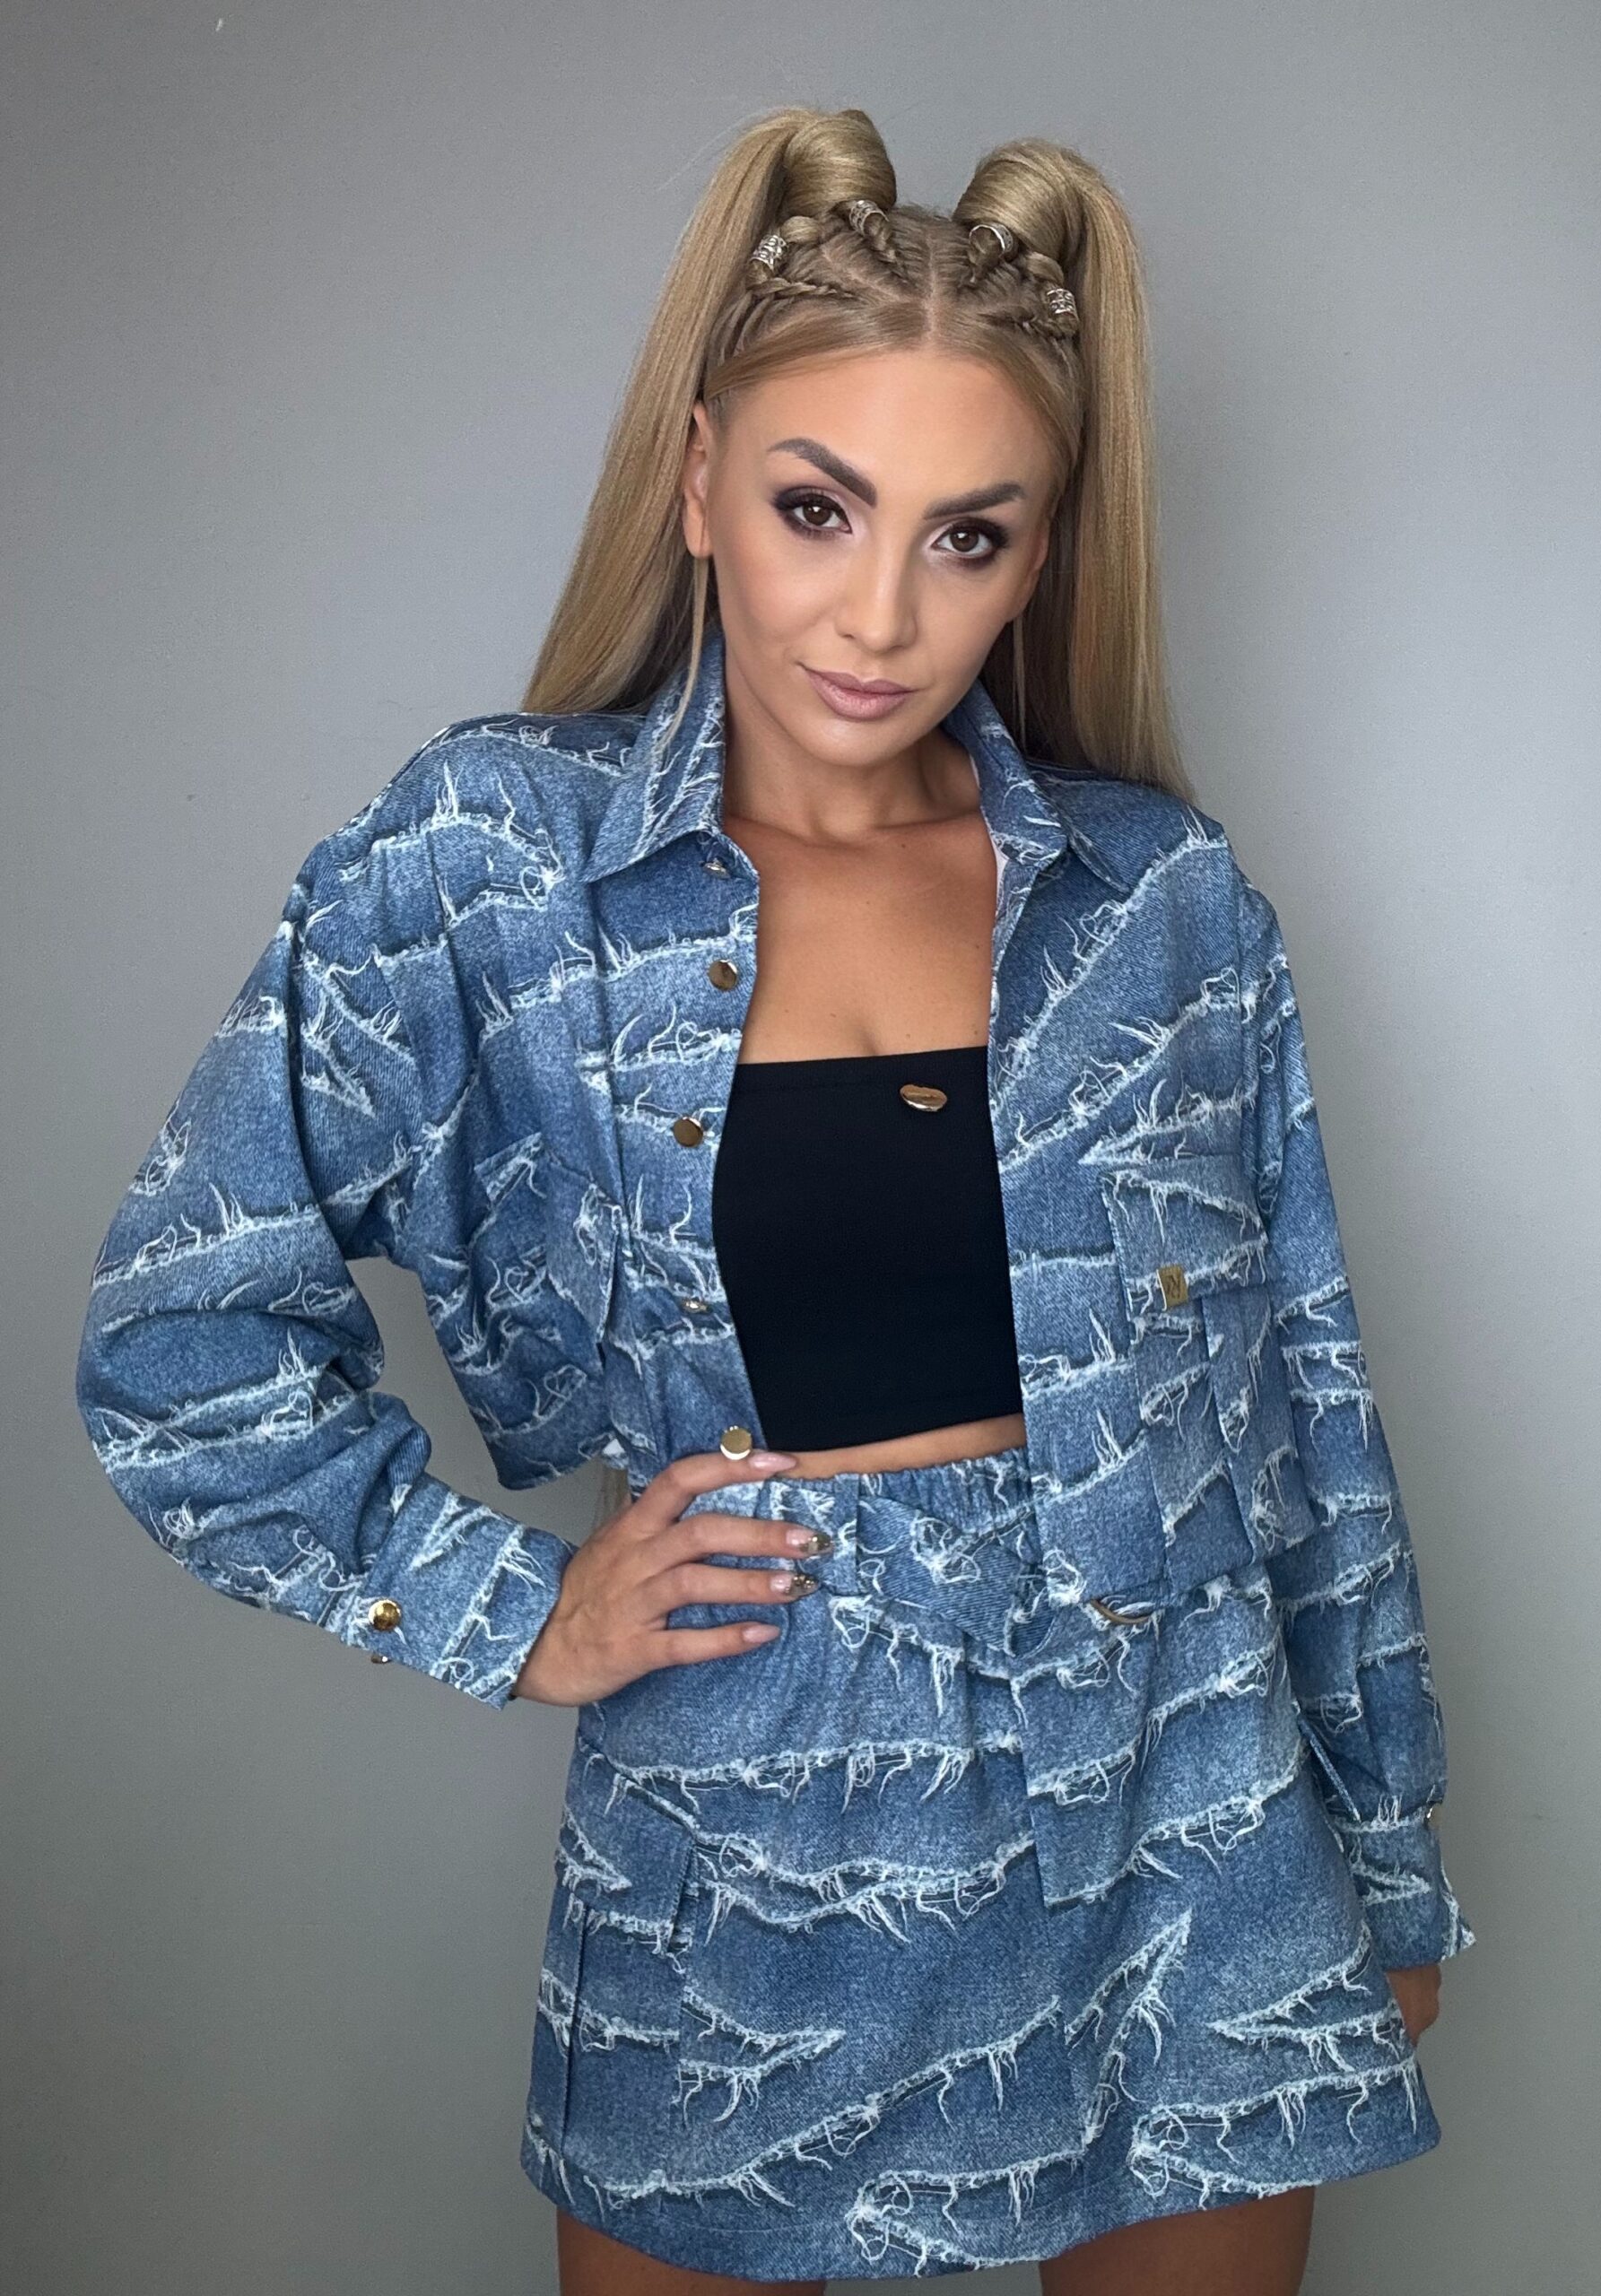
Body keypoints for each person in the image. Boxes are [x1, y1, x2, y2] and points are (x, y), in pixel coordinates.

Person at [75, 104, 1476, 2295]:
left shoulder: (1159, 899)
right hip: (754, 1840)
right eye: (821, 506)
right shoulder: (493, 861)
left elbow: (1301, 1399)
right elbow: (181, 1330)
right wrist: (515, 1606)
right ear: (700, 476)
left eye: (968, 535)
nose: (881, 612)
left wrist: (1382, 1844)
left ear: (1041, 554)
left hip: (1189, 1815)